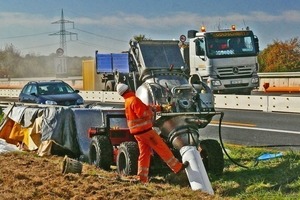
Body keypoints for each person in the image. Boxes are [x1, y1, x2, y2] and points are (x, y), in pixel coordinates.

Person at [116, 83, 188, 183]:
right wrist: (152, 113)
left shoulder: (128, 101)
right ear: (129, 89)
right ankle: (177, 167)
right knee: (161, 148)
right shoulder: (134, 100)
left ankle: (142, 178)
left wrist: (160, 108)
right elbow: (143, 113)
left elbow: (145, 107)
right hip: (146, 132)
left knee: (144, 155)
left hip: (138, 134)